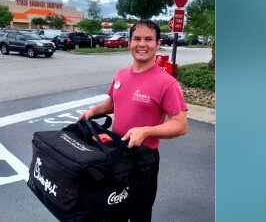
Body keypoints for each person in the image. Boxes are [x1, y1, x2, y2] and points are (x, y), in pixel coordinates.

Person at [79, 20, 188, 221]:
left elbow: (181, 125)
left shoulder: (166, 83)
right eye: (137, 39)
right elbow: (113, 103)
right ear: (129, 42)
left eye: (148, 39)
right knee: (113, 209)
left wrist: (146, 131)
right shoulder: (121, 74)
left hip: (142, 160)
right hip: (115, 154)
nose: (142, 44)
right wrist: (94, 110)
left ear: (158, 43)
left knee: (139, 214)